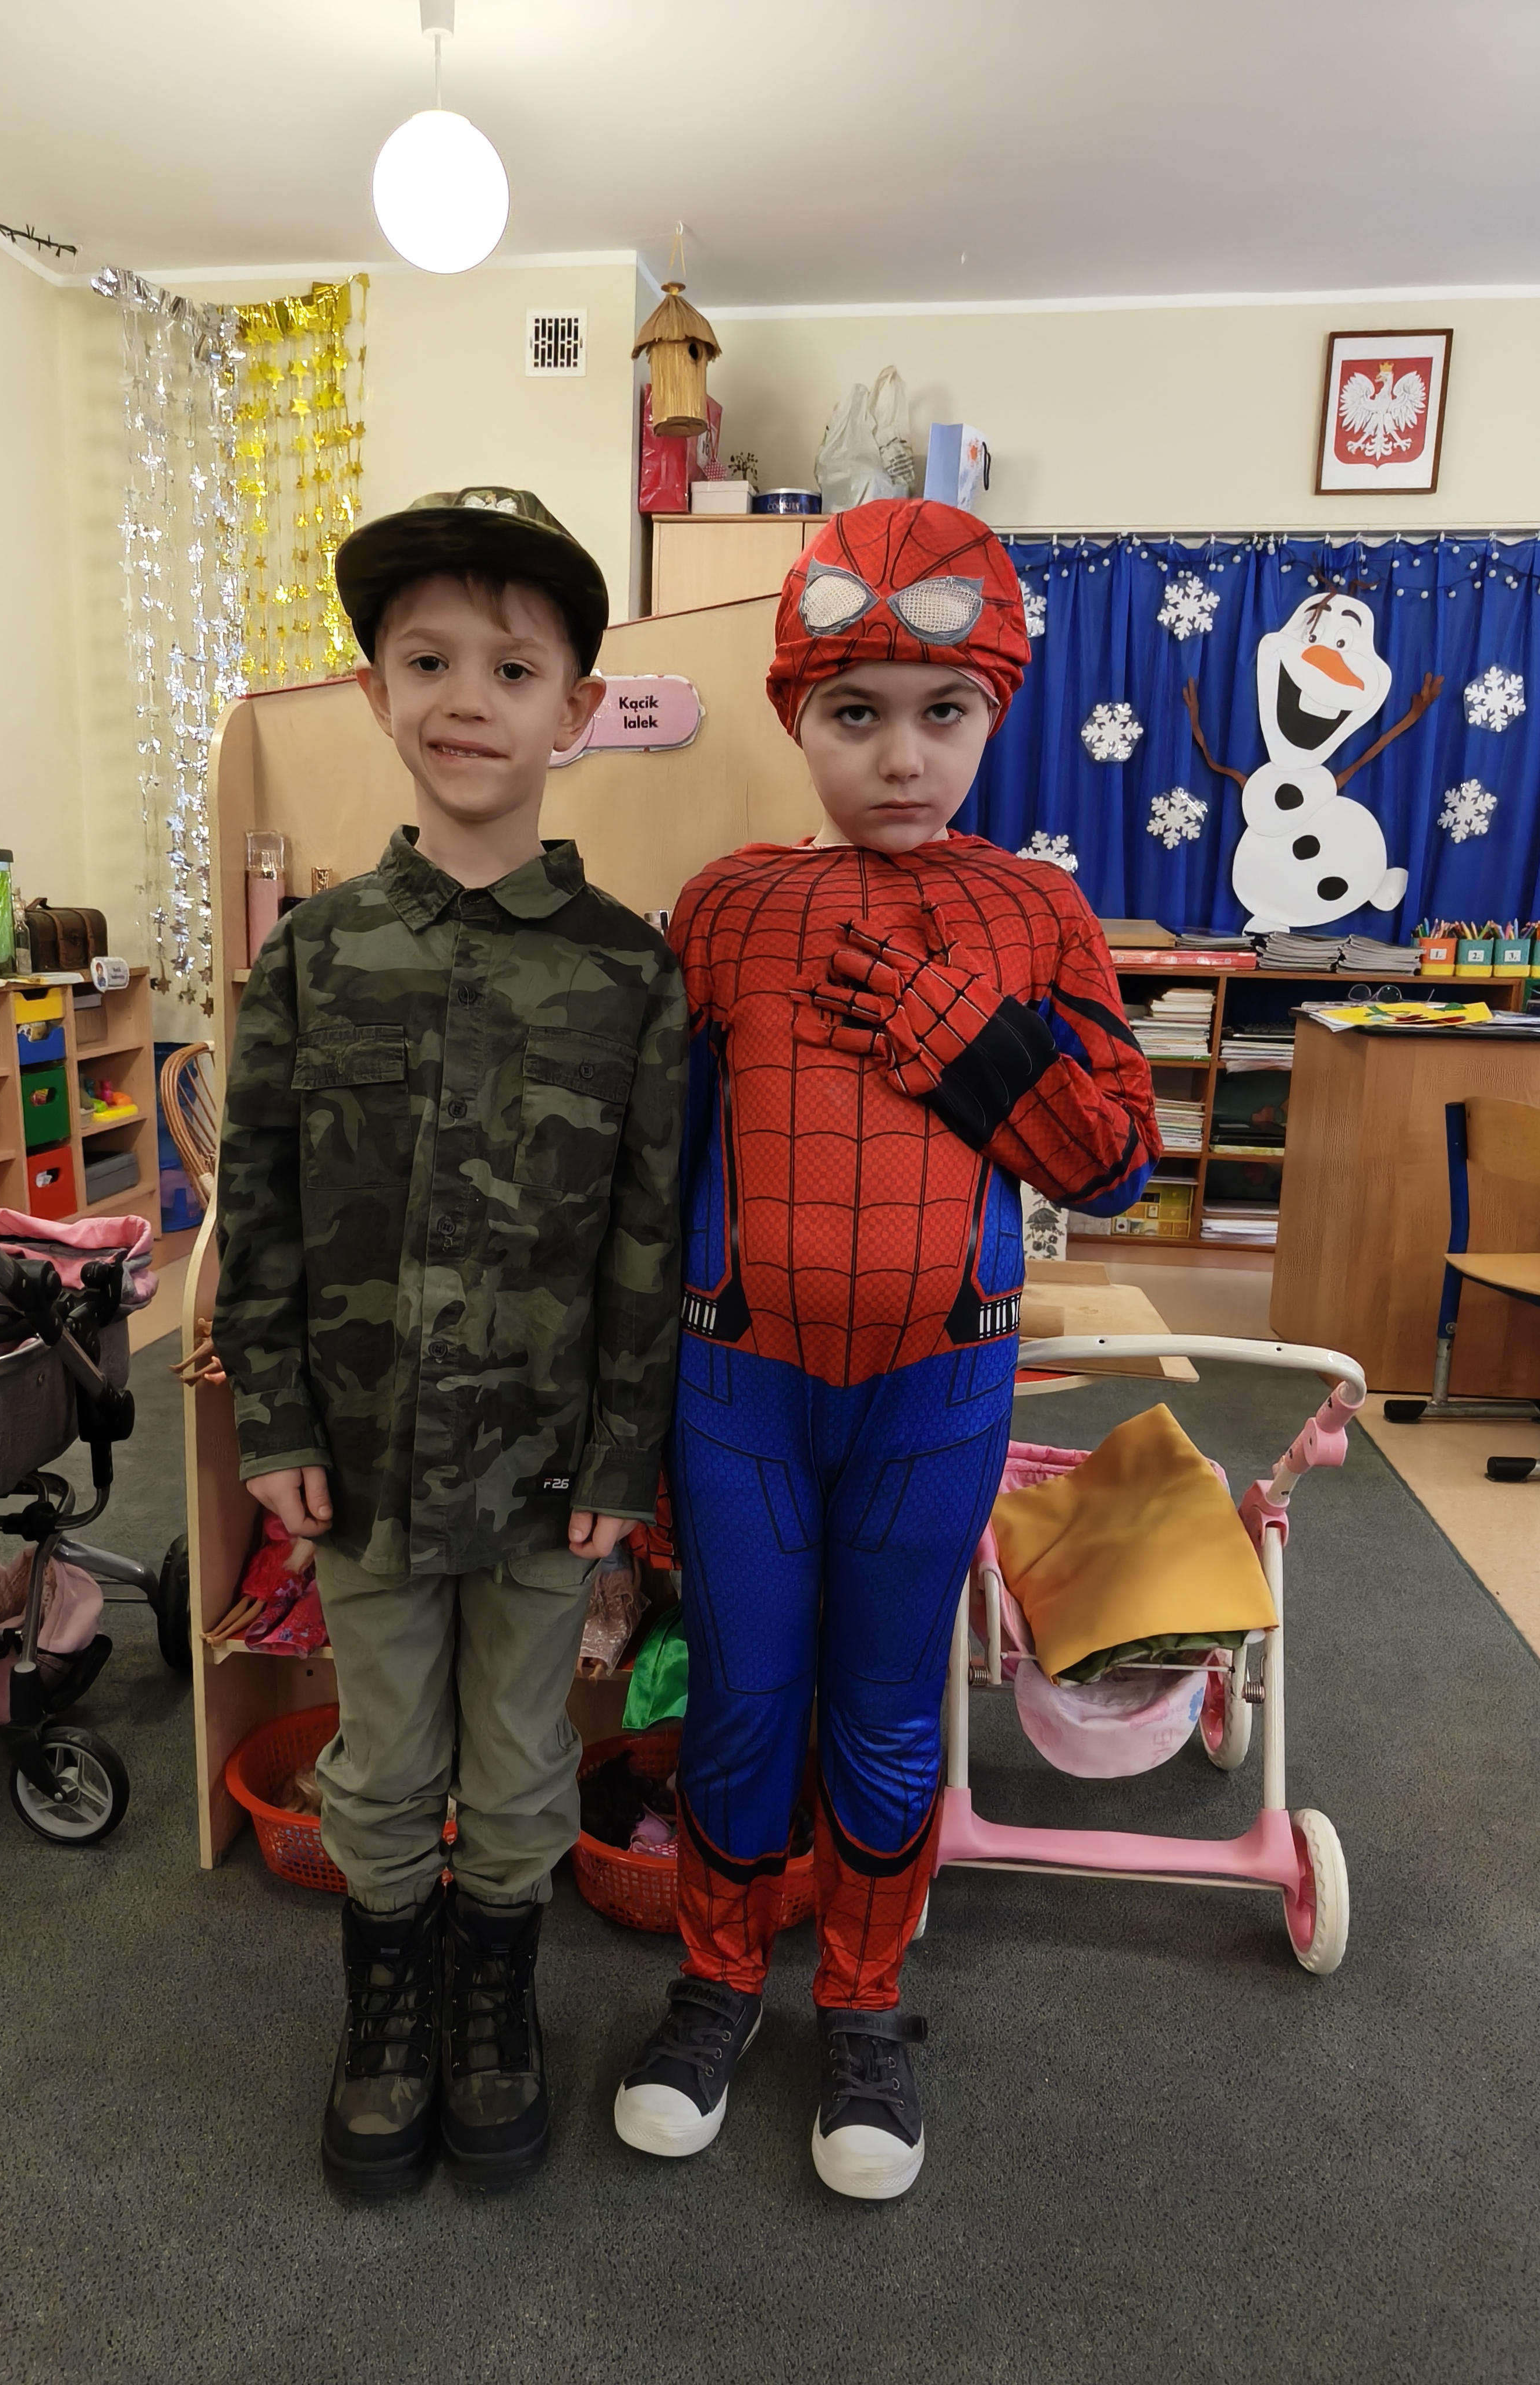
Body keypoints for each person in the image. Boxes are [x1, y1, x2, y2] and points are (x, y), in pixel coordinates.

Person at [611, 498, 1162, 2200]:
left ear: (996, 716)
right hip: (740, 1387)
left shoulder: (1036, 915)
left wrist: (971, 1044)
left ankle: (861, 2001)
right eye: (856, 712)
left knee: (883, 1707)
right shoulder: (722, 910)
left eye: (945, 712)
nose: (902, 757)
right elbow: (655, 1175)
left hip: (937, 1385)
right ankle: (719, 1984)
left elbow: (1117, 1165)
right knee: (742, 1700)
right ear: (797, 713)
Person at [213, 488, 686, 2196]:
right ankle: (389, 2007)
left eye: (512, 666)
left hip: (550, 1463)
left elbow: (648, 1240)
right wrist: (274, 1418)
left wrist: (624, 1455)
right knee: (385, 1754)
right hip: (362, 1456)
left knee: (524, 1758)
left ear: (578, 708)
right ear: (373, 693)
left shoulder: (631, 975)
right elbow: (257, 1199)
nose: (466, 697)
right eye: (426, 661)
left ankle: (497, 2000)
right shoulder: (316, 955)